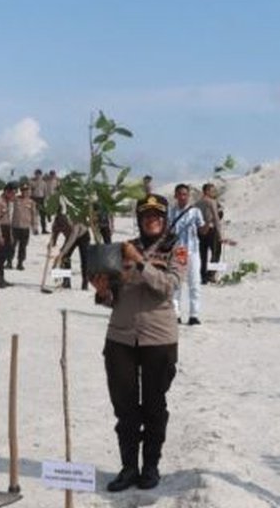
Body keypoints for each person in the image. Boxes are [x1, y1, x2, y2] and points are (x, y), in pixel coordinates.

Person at [98, 193, 184, 492]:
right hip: (120, 336)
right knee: (124, 407)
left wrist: (141, 264)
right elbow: (112, 297)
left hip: (158, 339)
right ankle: (128, 467)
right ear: (139, 218)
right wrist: (102, 290)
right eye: (147, 215)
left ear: (164, 218)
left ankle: (150, 466)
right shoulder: (124, 249)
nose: (152, 220)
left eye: (157, 215)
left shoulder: (177, 249)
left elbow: (169, 286)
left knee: (154, 406)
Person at [167, 184, 207, 324]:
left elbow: (202, 231)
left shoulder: (195, 212)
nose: (183, 197)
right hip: (179, 251)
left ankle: (194, 315)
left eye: (185, 194)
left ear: (188, 196)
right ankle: (176, 314)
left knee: (194, 282)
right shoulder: (171, 212)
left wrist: (209, 224)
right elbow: (167, 232)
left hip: (193, 250)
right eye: (180, 194)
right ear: (176, 196)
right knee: (177, 283)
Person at [195, 183, 223, 283]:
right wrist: (220, 234)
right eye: (212, 190)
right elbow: (216, 218)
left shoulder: (197, 203)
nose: (214, 192)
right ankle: (211, 275)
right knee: (216, 253)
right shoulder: (212, 202)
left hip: (200, 231)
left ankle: (202, 276)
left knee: (203, 254)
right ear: (206, 191)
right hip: (211, 230)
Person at [11, 182, 37, 271]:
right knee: (12, 245)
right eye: (23, 190)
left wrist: (35, 226)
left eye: (27, 190)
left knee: (23, 246)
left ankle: (20, 263)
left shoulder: (31, 202)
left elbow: (34, 215)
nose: (25, 192)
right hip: (15, 227)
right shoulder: (15, 200)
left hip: (25, 228)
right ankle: (9, 261)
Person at [30, 169, 48, 234]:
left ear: (41, 175)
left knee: (43, 215)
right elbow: (29, 191)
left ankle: (44, 229)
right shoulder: (32, 182)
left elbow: (45, 192)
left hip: (41, 199)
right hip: (34, 199)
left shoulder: (44, 183)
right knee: (35, 215)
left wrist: (45, 200)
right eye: (36, 174)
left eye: (39, 174)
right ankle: (35, 230)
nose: (38, 176)